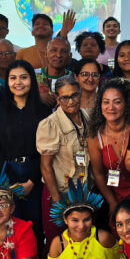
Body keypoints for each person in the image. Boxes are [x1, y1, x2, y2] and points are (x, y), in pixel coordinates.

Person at [0, 60, 52, 236]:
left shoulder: (44, 111)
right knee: (8, 226)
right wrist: (9, 179)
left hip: (36, 173)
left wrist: (32, 180)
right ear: (7, 82)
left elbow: (46, 150)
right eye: (13, 78)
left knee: (34, 226)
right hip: (5, 173)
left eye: (23, 77)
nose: (18, 82)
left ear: (31, 80)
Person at [36, 76, 91, 242]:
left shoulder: (87, 117)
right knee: (60, 240)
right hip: (60, 191)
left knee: (83, 239)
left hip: (84, 191)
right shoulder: (50, 124)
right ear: (57, 99)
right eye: (65, 97)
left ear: (80, 93)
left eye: (74, 95)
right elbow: (45, 166)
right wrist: (57, 200)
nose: (71, 101)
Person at [46, 178, 122, 259]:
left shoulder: (104, 239)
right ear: (65, 220)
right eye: (75, 220)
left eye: (86, 220)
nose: (81, 226)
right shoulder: (58, 244)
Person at [89, 78, 130, 216]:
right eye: (106, 102)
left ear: (127, 104)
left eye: (117, 102)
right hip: (116, 199)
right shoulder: (95, 137)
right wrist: (113, 203)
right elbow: (99, 174)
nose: (110, 107)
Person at [37, 36, 73, 106]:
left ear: (70, 56)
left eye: (63, 51)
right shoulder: (32, 75)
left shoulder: (75, 79)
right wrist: (37, 97)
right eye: (54, 50)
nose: (58, 55)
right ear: (46, 54)